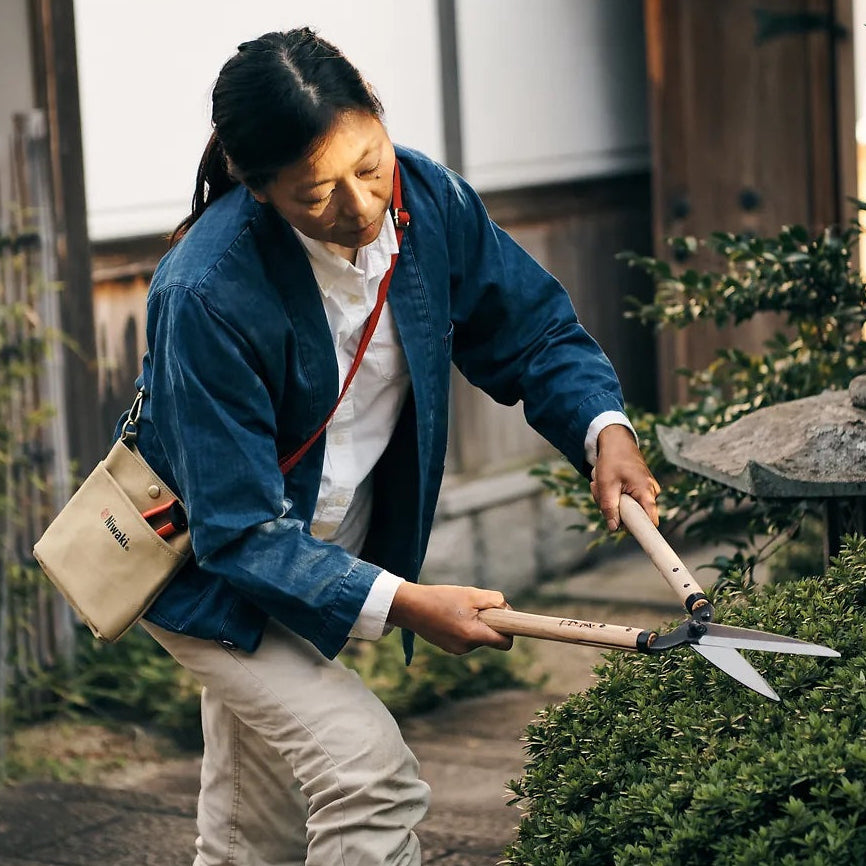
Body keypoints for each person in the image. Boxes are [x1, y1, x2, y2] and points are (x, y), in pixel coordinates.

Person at [123, 26, 660, 866]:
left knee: (248, 840)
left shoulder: (431, 200)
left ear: (378, 113)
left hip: (323, 556)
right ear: (256, 188)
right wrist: (409, 602)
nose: (362, 208)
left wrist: (605, 430)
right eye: (316, 194)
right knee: (369, 777)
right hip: (210, 574)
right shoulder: (204, 292)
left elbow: (533, 332)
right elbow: (238, 531)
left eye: (369, 165)